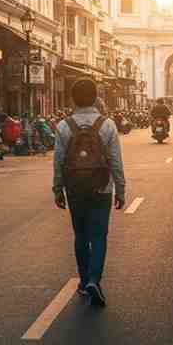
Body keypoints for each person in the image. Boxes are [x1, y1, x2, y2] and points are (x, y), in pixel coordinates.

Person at [53, 78, 126, 307]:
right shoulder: (107, 125)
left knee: (81, 235)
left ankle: (84, 282)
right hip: (101, 188)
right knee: (99, 235)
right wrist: (121, 189)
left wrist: (58, 189)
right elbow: (115, 162)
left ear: (73, 99)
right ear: (96, 98)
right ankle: (95, 278)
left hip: (75, 188)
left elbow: (58, 161)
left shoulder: (64, 126)